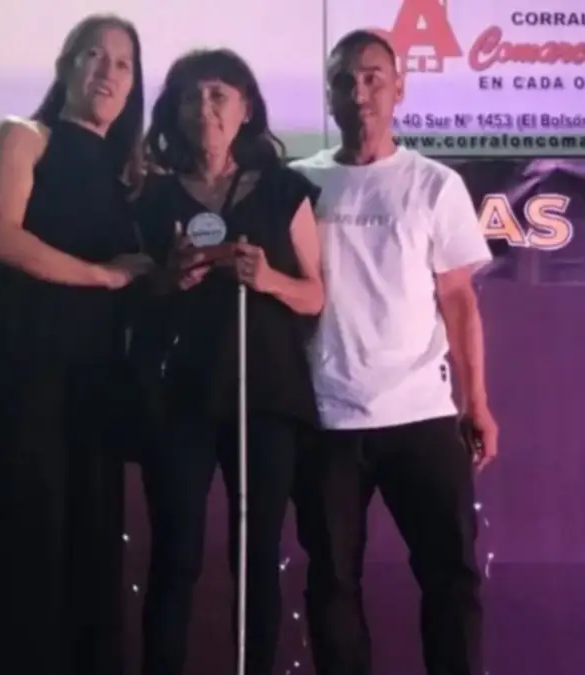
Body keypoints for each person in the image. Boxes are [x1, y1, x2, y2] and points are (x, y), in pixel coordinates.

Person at [289, 30, 499, 675]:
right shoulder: (297, 183)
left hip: (421, 414)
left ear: (399, 88)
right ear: (329, 94)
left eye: (373, 78)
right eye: (344, 81)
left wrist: (477, 403)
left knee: (451, 577)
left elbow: (458, 300)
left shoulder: (434, 184)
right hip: (325, 417)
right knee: (332, 584)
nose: (359, 93)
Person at [0, 15, 153, 675]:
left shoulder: (130, 175)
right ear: (66, 66)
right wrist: (102, 276)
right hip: (22, 363)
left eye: (123, 63)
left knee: (91, 540)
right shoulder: (24, 135)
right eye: (93, 55)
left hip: (94, 375)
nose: (107, 72)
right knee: (25, 533)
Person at [130, 48, 324, 675]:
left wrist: (269, 279)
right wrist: (167, 279)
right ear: (174, 111)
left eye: (218, 94)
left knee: (256, 557)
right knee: (175, 555)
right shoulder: (152, 197)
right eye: (191, 96)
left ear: (246, 108)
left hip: (264, 399)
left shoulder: (284, 190)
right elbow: (132, 292)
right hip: (179, 398)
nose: (205, 107)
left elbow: (315, 295)